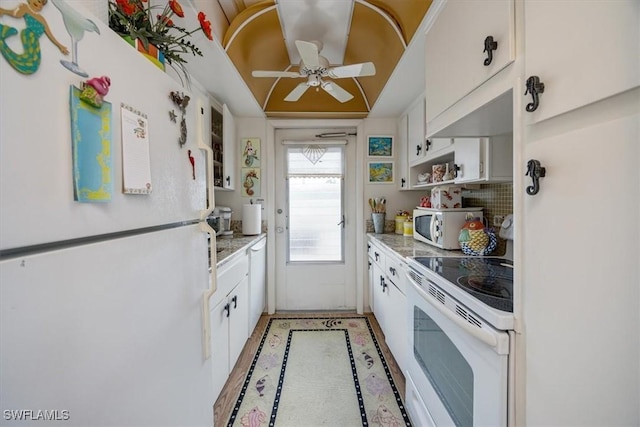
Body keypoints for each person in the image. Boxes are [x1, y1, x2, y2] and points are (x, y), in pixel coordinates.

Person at [0, 0, 68, 74]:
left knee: (33, 63)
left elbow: (49, 33)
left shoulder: (41, 19)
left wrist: (60, 46)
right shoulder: (25, 8)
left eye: (42, 4)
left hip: (35, 41)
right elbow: (16, 13)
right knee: (29, 61)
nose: (40, 5)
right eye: (38, 1)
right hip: (29, 35)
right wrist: (4, 11)